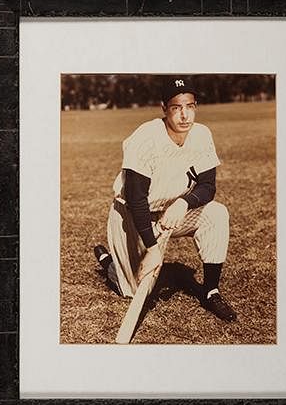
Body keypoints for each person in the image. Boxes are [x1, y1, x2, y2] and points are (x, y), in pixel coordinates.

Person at [94, 77, 236, 322]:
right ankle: (110, 263)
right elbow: (136, 199)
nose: (185, 116)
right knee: (134, 291)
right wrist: (152, 248)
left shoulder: (201, 135)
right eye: (176, 108)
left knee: (216, 214)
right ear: (164, 109)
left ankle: (211, 290)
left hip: (172, 213)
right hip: (132, 216)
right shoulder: (146, 138)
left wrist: (183, 203)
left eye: (190, 107)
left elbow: (208, 187)